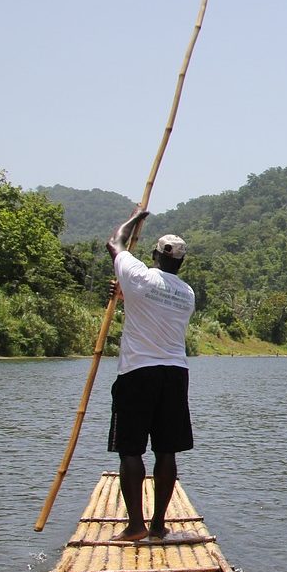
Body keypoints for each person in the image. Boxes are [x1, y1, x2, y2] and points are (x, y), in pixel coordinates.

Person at [106, 208, 196, 541]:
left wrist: (134, 218)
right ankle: (158, 525)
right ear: (181, 263)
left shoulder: (139, 276)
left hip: (137, 372)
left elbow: (114, 242)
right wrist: (122, 293)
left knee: (130, 450)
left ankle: (135, 527)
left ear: (155, 255)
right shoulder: (187, 295)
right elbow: (152, 305)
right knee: (166, 451)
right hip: (175, 373)